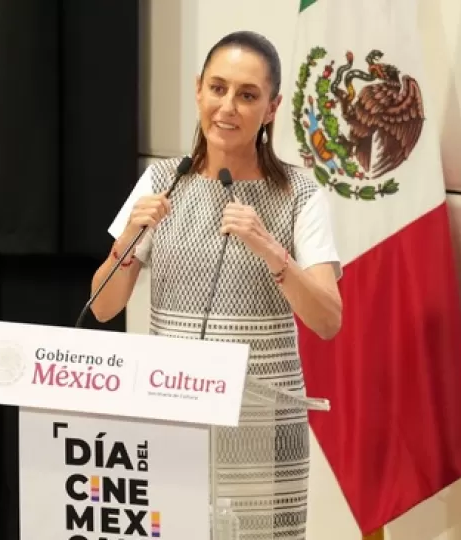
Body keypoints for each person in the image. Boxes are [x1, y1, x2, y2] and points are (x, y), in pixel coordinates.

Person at [91, 30, 342, 539]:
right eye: (218, 88)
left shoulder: (299, 192)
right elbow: (102, 306)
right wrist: (130, 239)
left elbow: (328, 320)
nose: (228, 106)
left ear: (271, 108)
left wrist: (273, 251)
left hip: (263, 430)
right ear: (198, 90)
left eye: (247, 95)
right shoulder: (162, 180)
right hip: (172, 417)